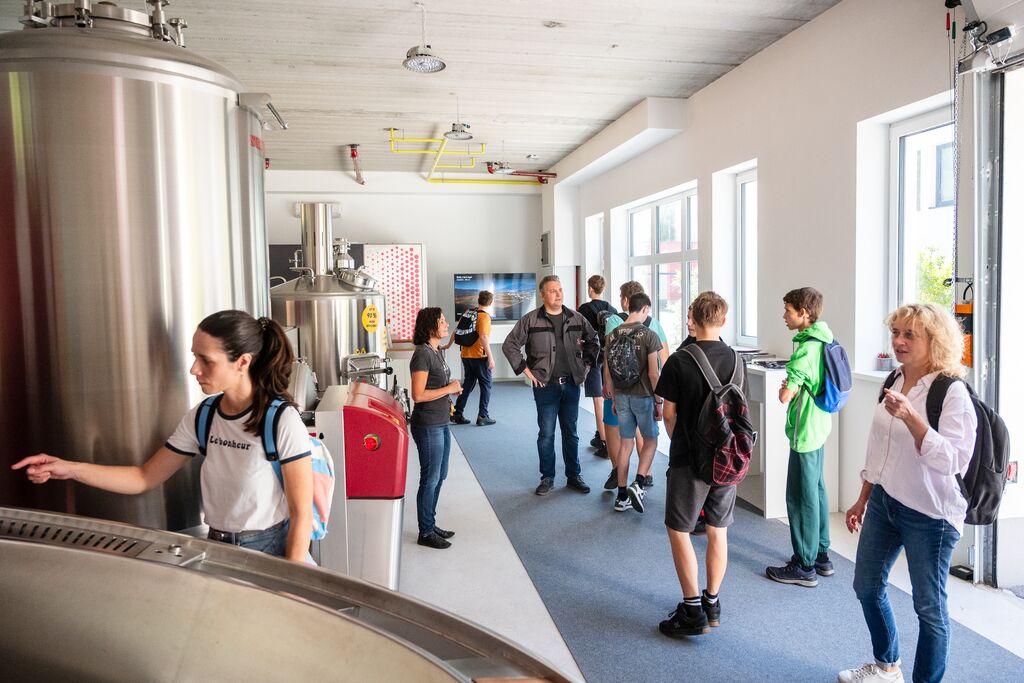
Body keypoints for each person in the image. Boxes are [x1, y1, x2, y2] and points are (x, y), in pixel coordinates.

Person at [12, 310, 314, 562]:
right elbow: (144, 477)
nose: (194, 369)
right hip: (217, 548)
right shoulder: (204, 415)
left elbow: (301, 515)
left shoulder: (281, 421)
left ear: (243, 362)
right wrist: (67, 469)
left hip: (269, 551)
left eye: (206, 360)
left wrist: (292, 583)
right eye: (194, 357)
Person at [839, 304, 976, 683]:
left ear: (935, 341)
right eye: (895, 332)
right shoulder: (894, 378)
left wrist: (912, 418)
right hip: (886, 501)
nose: (898, 341)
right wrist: (863, 496)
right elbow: (880, 447)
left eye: (909, 334)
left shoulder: (952, 392)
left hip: (931, 515)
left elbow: (953, 461)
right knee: (866, 587)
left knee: (929, 608)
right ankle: (887, 667)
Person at [655, 291, 747, 637]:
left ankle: (692, 609)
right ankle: (712, 602)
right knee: (717, 530)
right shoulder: (737, 360)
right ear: (723, 320)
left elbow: (669, 414)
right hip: (727, 459)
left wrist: (679, 441)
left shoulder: (680, 360)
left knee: (679, 530)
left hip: (689, 459)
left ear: (691, 319)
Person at [502, 274, 600, 496]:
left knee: (571, 432)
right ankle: (547, 477)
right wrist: (526, 370)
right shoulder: (530, 320)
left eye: (560, 289)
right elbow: (510, 345)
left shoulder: (576, 318)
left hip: (572, 385)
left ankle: (573, 476)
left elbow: (593, 340)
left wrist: (585, 366)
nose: (558, 294)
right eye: (553, 290)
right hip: (545, 386)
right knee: (546, 434)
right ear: (542, 295)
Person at [766, 287, 836, 587]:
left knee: (799, 496)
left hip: (804, 430)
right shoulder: (824, 339)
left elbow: (785, 396)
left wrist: (787, 387)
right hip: (819, 425)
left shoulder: (806, 350)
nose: (784, 316)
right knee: (816, 489)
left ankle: (805, 565)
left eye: (788, 310)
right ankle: (821, 555)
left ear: (803, 313)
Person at [601, 280, 670, 492]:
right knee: (650, 439)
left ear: (626, 303)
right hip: (644, 394)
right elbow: (656, 370)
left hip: (621, 394)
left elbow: (608, 362)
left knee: (625, 441)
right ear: (645, 308)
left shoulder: (613, 330)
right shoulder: (651, 332)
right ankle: (641, 479)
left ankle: (621, 492)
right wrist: (660, 400)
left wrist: (610, 389)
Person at [409, 307, 464, 549]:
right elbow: (418, 395)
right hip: (428, 424)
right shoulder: (422, 354)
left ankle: (430, 523)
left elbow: (435, 385)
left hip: (441, 421)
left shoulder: (436, 350)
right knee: (430, 479)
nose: (446, 324)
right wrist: (448, 389)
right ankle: (425, 532)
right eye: (442, 321)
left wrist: (451, 387)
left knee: (440, 475)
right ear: (430, 326)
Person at [448, 290, 496, 427]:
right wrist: (490, 357)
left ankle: (457, 413)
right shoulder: (484, 317)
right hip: (479, 356)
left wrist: (447, 345)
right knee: (486, 385)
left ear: (478, 300)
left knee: (468, 384)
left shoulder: (468, 312)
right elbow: (483, 337)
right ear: (490, 303)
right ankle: (483, 416)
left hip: (465, 355)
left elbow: (456, 331)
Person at [577, 275, 614, 457]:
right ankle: (603, 435)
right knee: (608, 397)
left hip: (592, 358)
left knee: (597, 399)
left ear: (590, 288)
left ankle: (604, 442)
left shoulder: (584, 309)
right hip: (609, 357)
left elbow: (578, 334)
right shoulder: (612, 309)